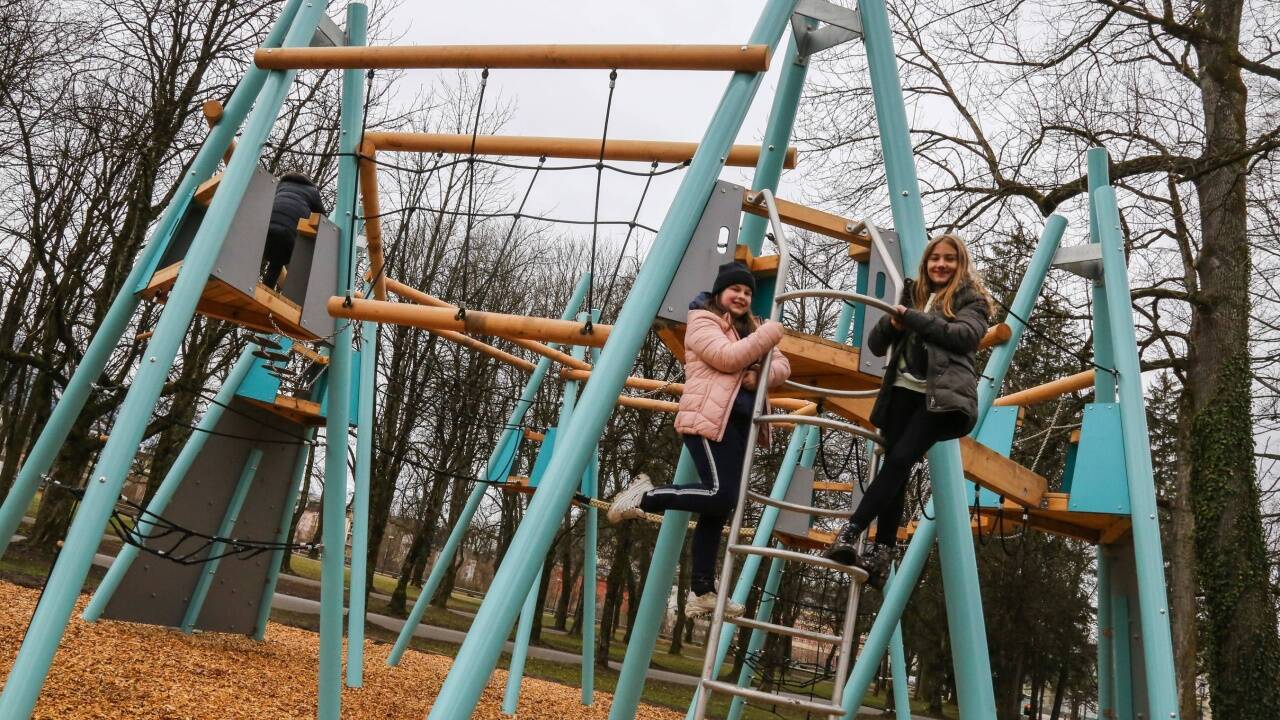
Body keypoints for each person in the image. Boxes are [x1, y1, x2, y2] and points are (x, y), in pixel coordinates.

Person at [608, 261, 791, 618]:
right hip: (707, 419)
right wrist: (765, 340)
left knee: (720, 506)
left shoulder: (751, 327)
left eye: (748, 292)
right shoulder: (702, 321)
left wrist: (759, 376)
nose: (742, 296)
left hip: (739, 423)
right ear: (720, 292)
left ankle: (702, 591)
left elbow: (783, 367)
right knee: (720, 494)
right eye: (735, 289)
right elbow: (725, 358)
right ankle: (644, 496)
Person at [822, 233, 991, 589]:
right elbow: (876, 343)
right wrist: (892, 322)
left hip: (941, 400)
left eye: (949, 259)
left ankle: (849, 532)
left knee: (899, 461)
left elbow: (964, 337)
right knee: (894, 470)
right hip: (901, 392)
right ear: (926, 263)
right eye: (935, 258)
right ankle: (881, 555)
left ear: (960, 265)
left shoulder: (972, 301)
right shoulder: (912, 293)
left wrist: (912, 318)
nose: (941, 265)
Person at [262, 172, 326, 289]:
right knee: (279, 262)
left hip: (266, 228)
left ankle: (244, 280)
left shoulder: (282, 184)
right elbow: (323, 218)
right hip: (288, 234)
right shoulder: (312, 191)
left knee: (259, 252)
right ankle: (269, 289)